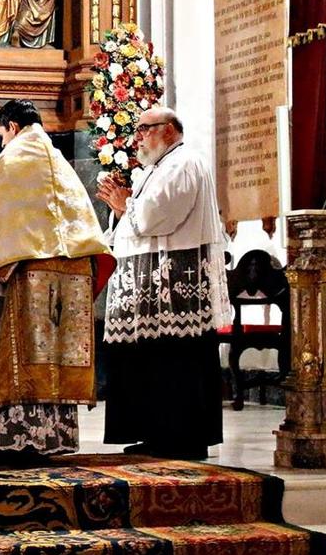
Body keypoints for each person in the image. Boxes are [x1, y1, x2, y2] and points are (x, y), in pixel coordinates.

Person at [0, 99, 113, 458]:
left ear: (13, 127)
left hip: (27, 272)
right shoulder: (57, 161)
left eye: (1, 134)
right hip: (70, 272)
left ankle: (13, 434)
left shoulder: (17, 157)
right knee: (53, 355)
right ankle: (54, 436)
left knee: (20, 352)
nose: (2, 143)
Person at [96, 106, 231, 460]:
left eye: (145, 129)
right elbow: (133, 220)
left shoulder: (183, 163)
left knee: (173, 361)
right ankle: (156, 432)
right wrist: (120, 204)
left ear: (169, 130)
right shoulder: (158, 168)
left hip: (174, 285)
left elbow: (158, 216)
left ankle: (180, 436)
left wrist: (125, 205)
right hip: (152, 283)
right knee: (151, 358)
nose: (137, 136)